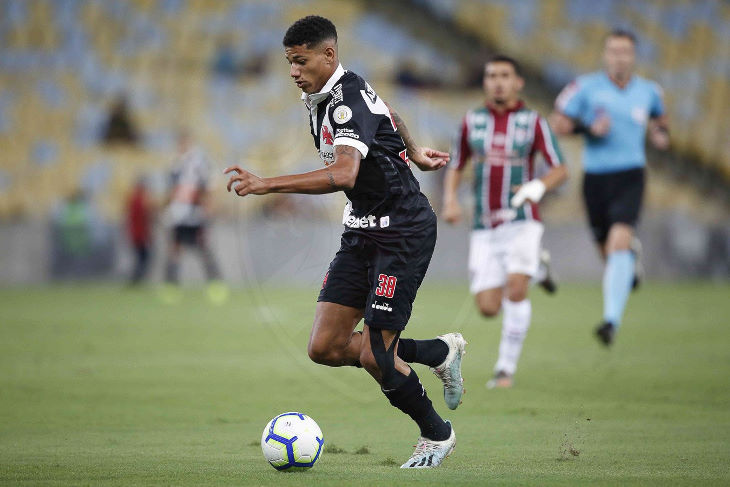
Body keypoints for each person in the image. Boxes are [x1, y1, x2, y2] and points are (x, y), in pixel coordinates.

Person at [225, 16, 466, 469]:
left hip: (402, 231)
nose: (293, 71)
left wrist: (267, 184)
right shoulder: (329, 92)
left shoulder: (344, 103)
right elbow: (386, 110)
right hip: (361, 230)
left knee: (378, 355)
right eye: (289, 62)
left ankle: (437, 434)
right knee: (326, 346)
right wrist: (413, 150)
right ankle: (438, 351)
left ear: (328, 55)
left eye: (300, 61)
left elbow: (344, 173)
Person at [443, 55, 568, 389]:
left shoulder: (533, 121)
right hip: (484, 225)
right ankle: (538, 269)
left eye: (504, 75)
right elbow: (456, 164)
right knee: (487, 307)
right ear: (485, 82)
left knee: (515, 289)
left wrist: (537, 186)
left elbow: (560, 168)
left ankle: (504, 370)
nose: (498, 82)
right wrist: (450, 200)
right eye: (492, 75)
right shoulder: (471, 121)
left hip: (521, 220)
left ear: (518, 82)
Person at [550, 29, 669, 346]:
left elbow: (661, 120)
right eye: (614, 51)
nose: (620, 57)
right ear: (605, 55)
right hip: (595, 179)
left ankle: (610, 322)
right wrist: (588, 128)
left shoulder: (649, 91)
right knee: (608, 251)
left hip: (630, 176)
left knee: (617, 242)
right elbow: (557, 123)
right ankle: (629, 261)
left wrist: (660, 134)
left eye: (625, 52)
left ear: (633, 56)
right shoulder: (585, 87)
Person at [163, 130, 228, 304]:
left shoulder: (200, 162)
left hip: (195, 214)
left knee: (204, 248)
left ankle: (215, 285)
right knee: (175, 249)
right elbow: (172, 190)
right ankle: (171, 286)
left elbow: (209, 186)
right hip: (178, 214)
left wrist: (208, 207)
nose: (182, 146)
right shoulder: (175, 164)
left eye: (185, 142)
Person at [126, 177, 153, 285]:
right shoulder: (138, 201)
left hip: (137, 234)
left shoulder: (135, 200)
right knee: (142, 258)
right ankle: (136, 279)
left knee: (142, 257)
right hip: (139, 235)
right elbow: (143, 219)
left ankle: (137, 279)